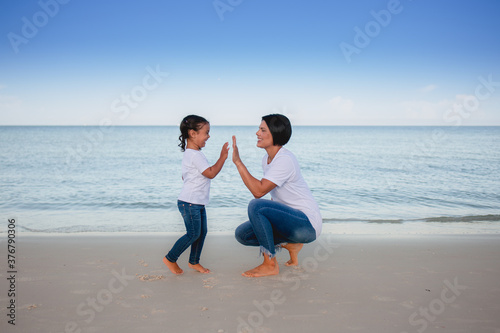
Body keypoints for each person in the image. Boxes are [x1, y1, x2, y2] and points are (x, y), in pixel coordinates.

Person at [232, 114, 322, 277]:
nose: (257, 133)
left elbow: (258, 191)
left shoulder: (285, 159)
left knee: (256, 205)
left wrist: (238, 163)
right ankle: (292, 245)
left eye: (262, 130)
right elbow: (276, 197)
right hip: (290, 223)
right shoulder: (267, 159)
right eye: (259, 129)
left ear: (275, 134)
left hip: (306, 224)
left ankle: (270, 264)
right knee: (242, 234)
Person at [163, 115, 229, 275]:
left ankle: (194, 262)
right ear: (193, 133)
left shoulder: (191, 153)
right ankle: (170, 258)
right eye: (206, 132)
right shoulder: (195, 155)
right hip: (190, 202)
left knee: (202, 232)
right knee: (193, 234)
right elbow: (211, 173)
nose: (208, 136)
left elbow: (186, 176)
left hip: (195, 202)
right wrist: (223, 157)